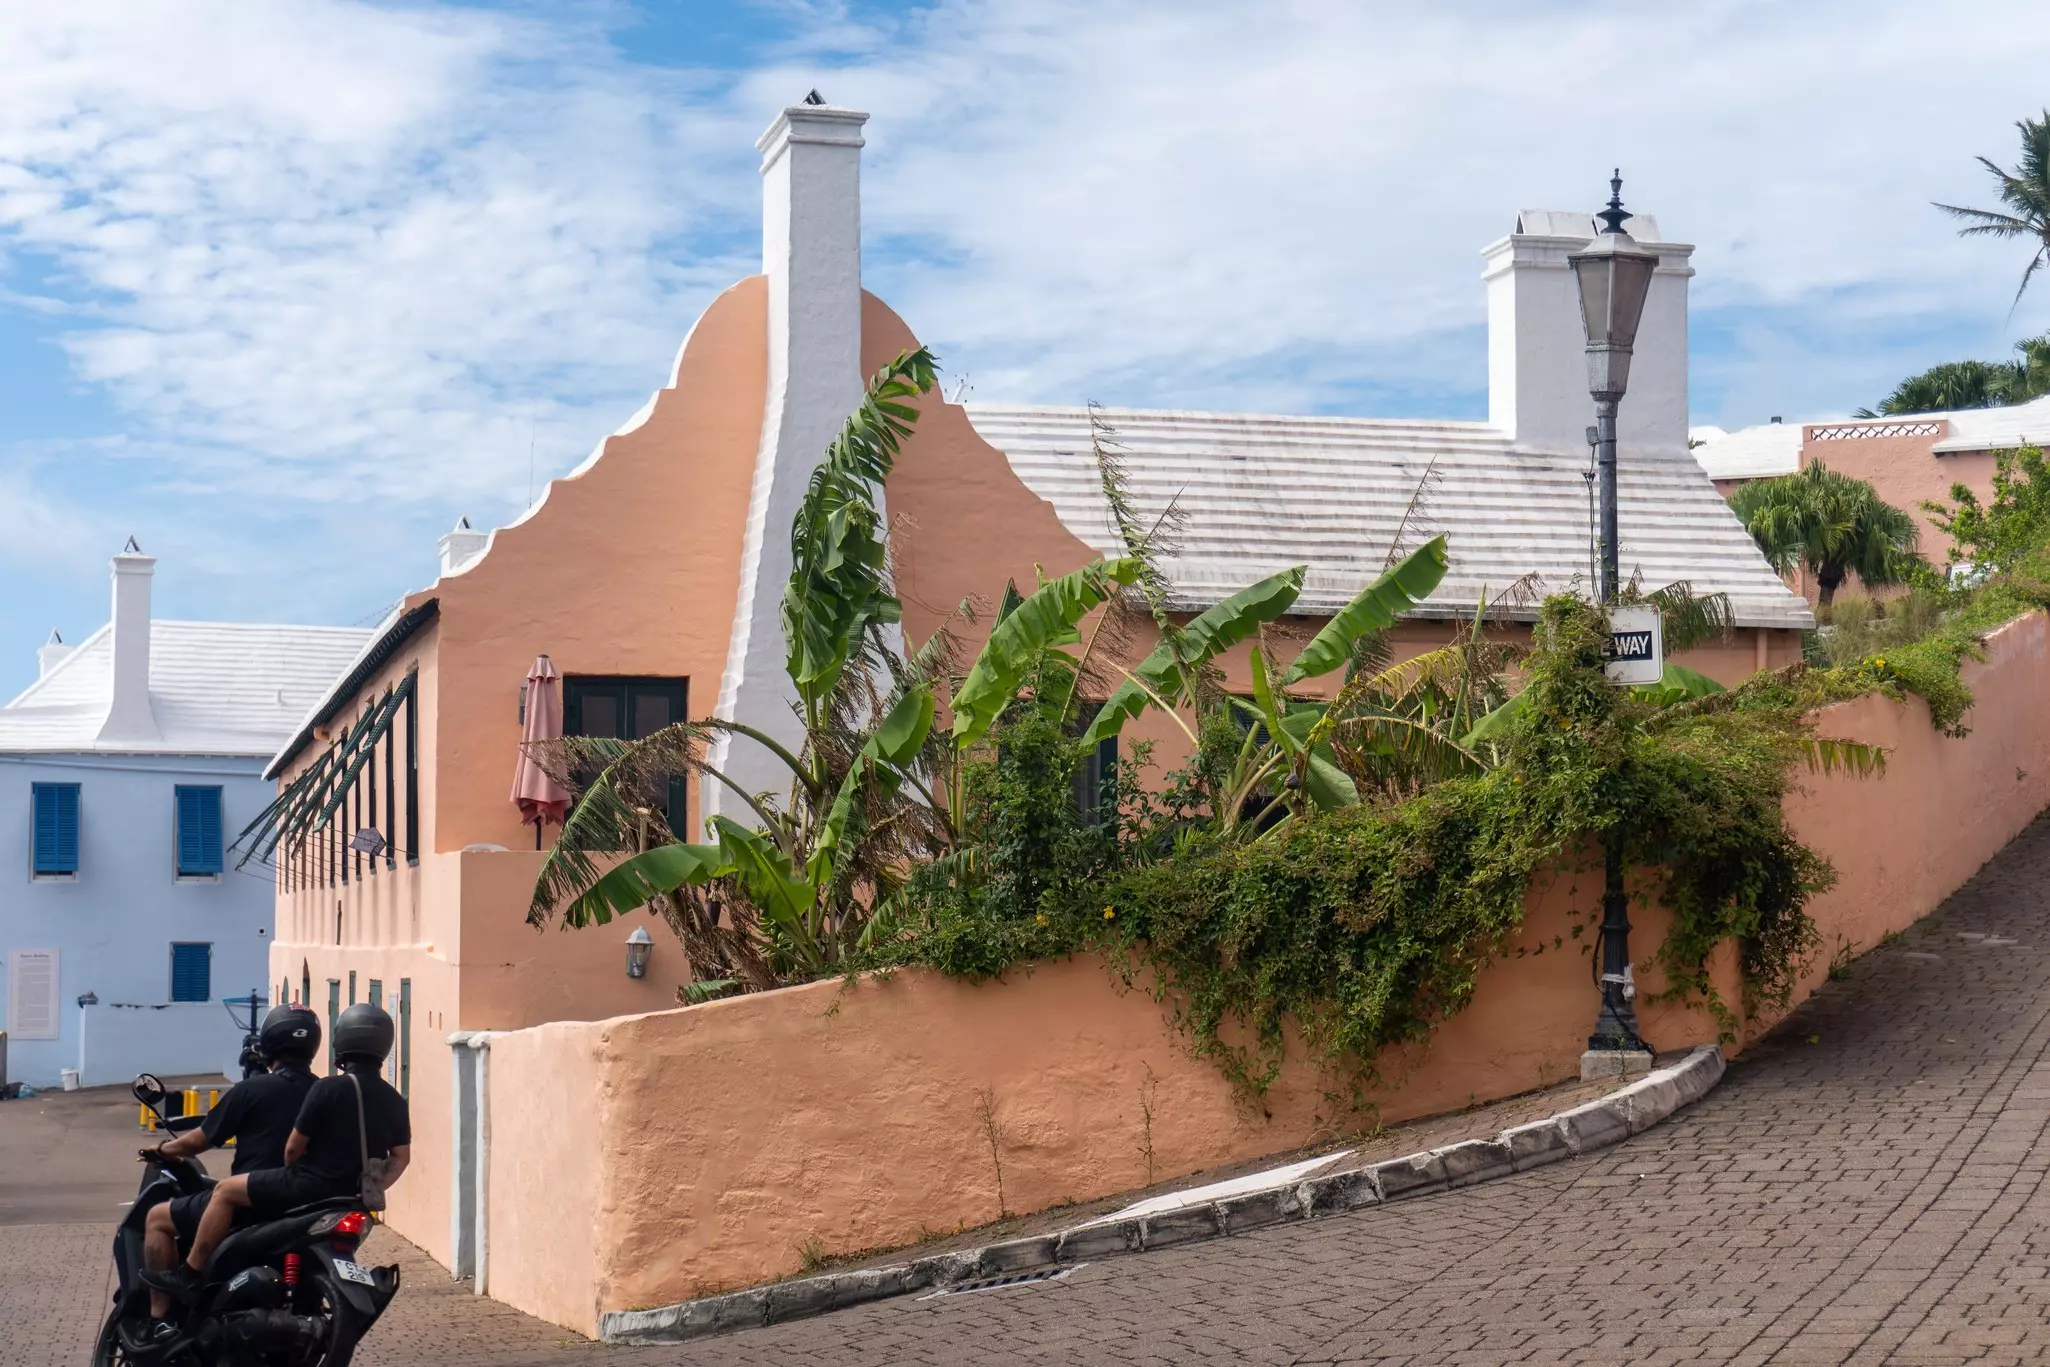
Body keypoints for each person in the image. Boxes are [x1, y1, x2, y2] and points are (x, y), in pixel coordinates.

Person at [144, 1003, 411, 1302]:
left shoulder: (324, 1090)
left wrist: (292, 1166)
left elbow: (290, 1147)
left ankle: (183, 1284)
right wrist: (373, 1185)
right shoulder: (393, 1100)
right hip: (344, 1200)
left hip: (291, 1191)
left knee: (191, 1204)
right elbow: (400, 1157)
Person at [127, 1005, 321, 1349]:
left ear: (267, 1047)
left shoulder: (251, 1090)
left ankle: (160, 1320)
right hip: (305, 1205)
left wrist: (162, 1150)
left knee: (156, 1218)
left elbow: (199, 1141)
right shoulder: (325, 1093)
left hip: (251, 1203)